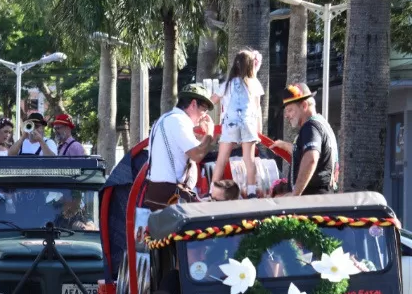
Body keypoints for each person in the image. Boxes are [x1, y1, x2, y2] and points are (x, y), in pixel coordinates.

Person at [143, 84, 216, 211]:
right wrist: (210, 133)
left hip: (157, 190)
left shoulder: (164, 119)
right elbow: (197, 155)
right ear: (193, 104)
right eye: (204, 109)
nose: (204, 115)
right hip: (170, 193)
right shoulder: (179, 121)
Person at [211, 50, 265, 196]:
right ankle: (252, 191)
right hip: (248, 124)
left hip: (230, 124)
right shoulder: (254, 83)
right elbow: (257, 108)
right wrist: (258, 130)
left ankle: (212, 191)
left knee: (221, 159)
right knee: (249, 160)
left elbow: (212, 101)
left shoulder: (227, 84)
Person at [272, 83, 339, 196]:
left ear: (304, 105)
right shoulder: (320, 123)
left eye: (290, 110)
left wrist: (295, 194)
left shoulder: (311, 127)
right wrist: (285, 146)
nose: (286, 115)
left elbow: (311, 158)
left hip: (311, 201)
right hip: (321, 198)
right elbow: (309, 152)